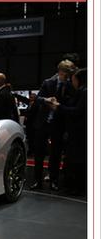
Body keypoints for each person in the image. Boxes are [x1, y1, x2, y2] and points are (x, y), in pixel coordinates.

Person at [30, 59, 76, 191]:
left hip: (58, 124)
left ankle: (54, 180)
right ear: (60, 71)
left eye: (69, 75)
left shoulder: (70, 86)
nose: (67, 77)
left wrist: (59, 106)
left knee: (56, 154)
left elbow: (71, 103)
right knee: (39, 153)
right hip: (43, 123)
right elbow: (37, 99)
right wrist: (47, 100)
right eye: (66, 74)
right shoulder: (48, 82)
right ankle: (37, 181)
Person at [47, 68, 87, 195]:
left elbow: (76, 111)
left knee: (76, 160)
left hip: (78, 132)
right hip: (75, 131)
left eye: (73, 79)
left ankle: (78, 187)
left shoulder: (84, 92)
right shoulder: (81, 91)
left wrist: (58, 107)